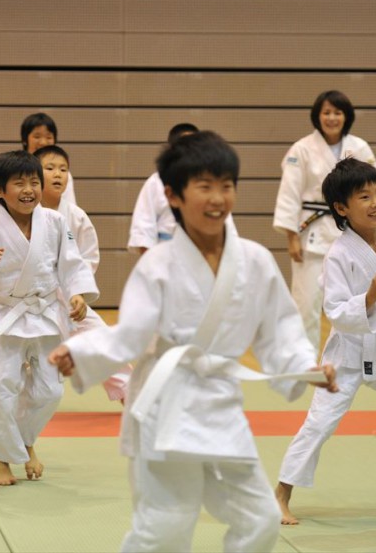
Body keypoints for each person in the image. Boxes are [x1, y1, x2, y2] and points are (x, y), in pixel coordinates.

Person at [49, 131, 337, 553]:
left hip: (219, 405)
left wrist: (303, 367)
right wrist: (81, 352)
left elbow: (280, 328)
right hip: (166, 405)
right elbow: (131, 334)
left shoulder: (254, 260)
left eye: (226, 185)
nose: (218, 198)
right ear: (174, 195)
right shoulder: (159, 266)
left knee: (260, 519)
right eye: (204, 186)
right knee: (164, 528)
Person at [275, 158, 376, 526]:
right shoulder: (338, 254)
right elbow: (334, 310)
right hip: (348, 355)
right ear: (342, 208)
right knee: (319, 424)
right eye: (364, 196)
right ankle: (282, 493)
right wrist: (368, 299)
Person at [0, 150, 98, 486]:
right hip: (8, 315)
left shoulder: (56, 223)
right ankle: (3, 458)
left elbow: (72, 264)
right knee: (2, 388)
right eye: (20, 183)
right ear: (0, 191)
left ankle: (25, 440)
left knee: (50, 392)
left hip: (46, 313)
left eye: (34, 182)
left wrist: (78, 294)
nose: (29, 189)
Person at [273, 90, 376, 349]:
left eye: (337, 112)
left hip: (350, 230)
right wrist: (291, 237)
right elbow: (289, 194)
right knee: (306, 303)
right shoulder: (302, 149)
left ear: (346, 116)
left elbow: (372, 190)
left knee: (353, 299)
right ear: (317, 116)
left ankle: (355, 354)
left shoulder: (360, 147)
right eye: (326, 112)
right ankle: (304, 359)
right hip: (312, 234)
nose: (331, 118)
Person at [36, 144, 128, 401]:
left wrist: (78, 292)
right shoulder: (23, 214)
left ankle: (128, 392)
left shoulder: (76, 216)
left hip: (68, 297)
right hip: (31, 299)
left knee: (102, 339)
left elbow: (87, 258)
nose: (58, 174)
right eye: (50, 168)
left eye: (63, 169)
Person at [127, 122, 199, 254]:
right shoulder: (156, 182)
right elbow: (143, 229)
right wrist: (151, 266)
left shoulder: (209, 183)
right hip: (165, 253)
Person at [20, 112, 75, 206]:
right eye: (37, 137)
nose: (43, 142)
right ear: (25, 140)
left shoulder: (63, 173)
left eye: (48, 137)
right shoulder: (13, 169)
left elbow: (69, 206)